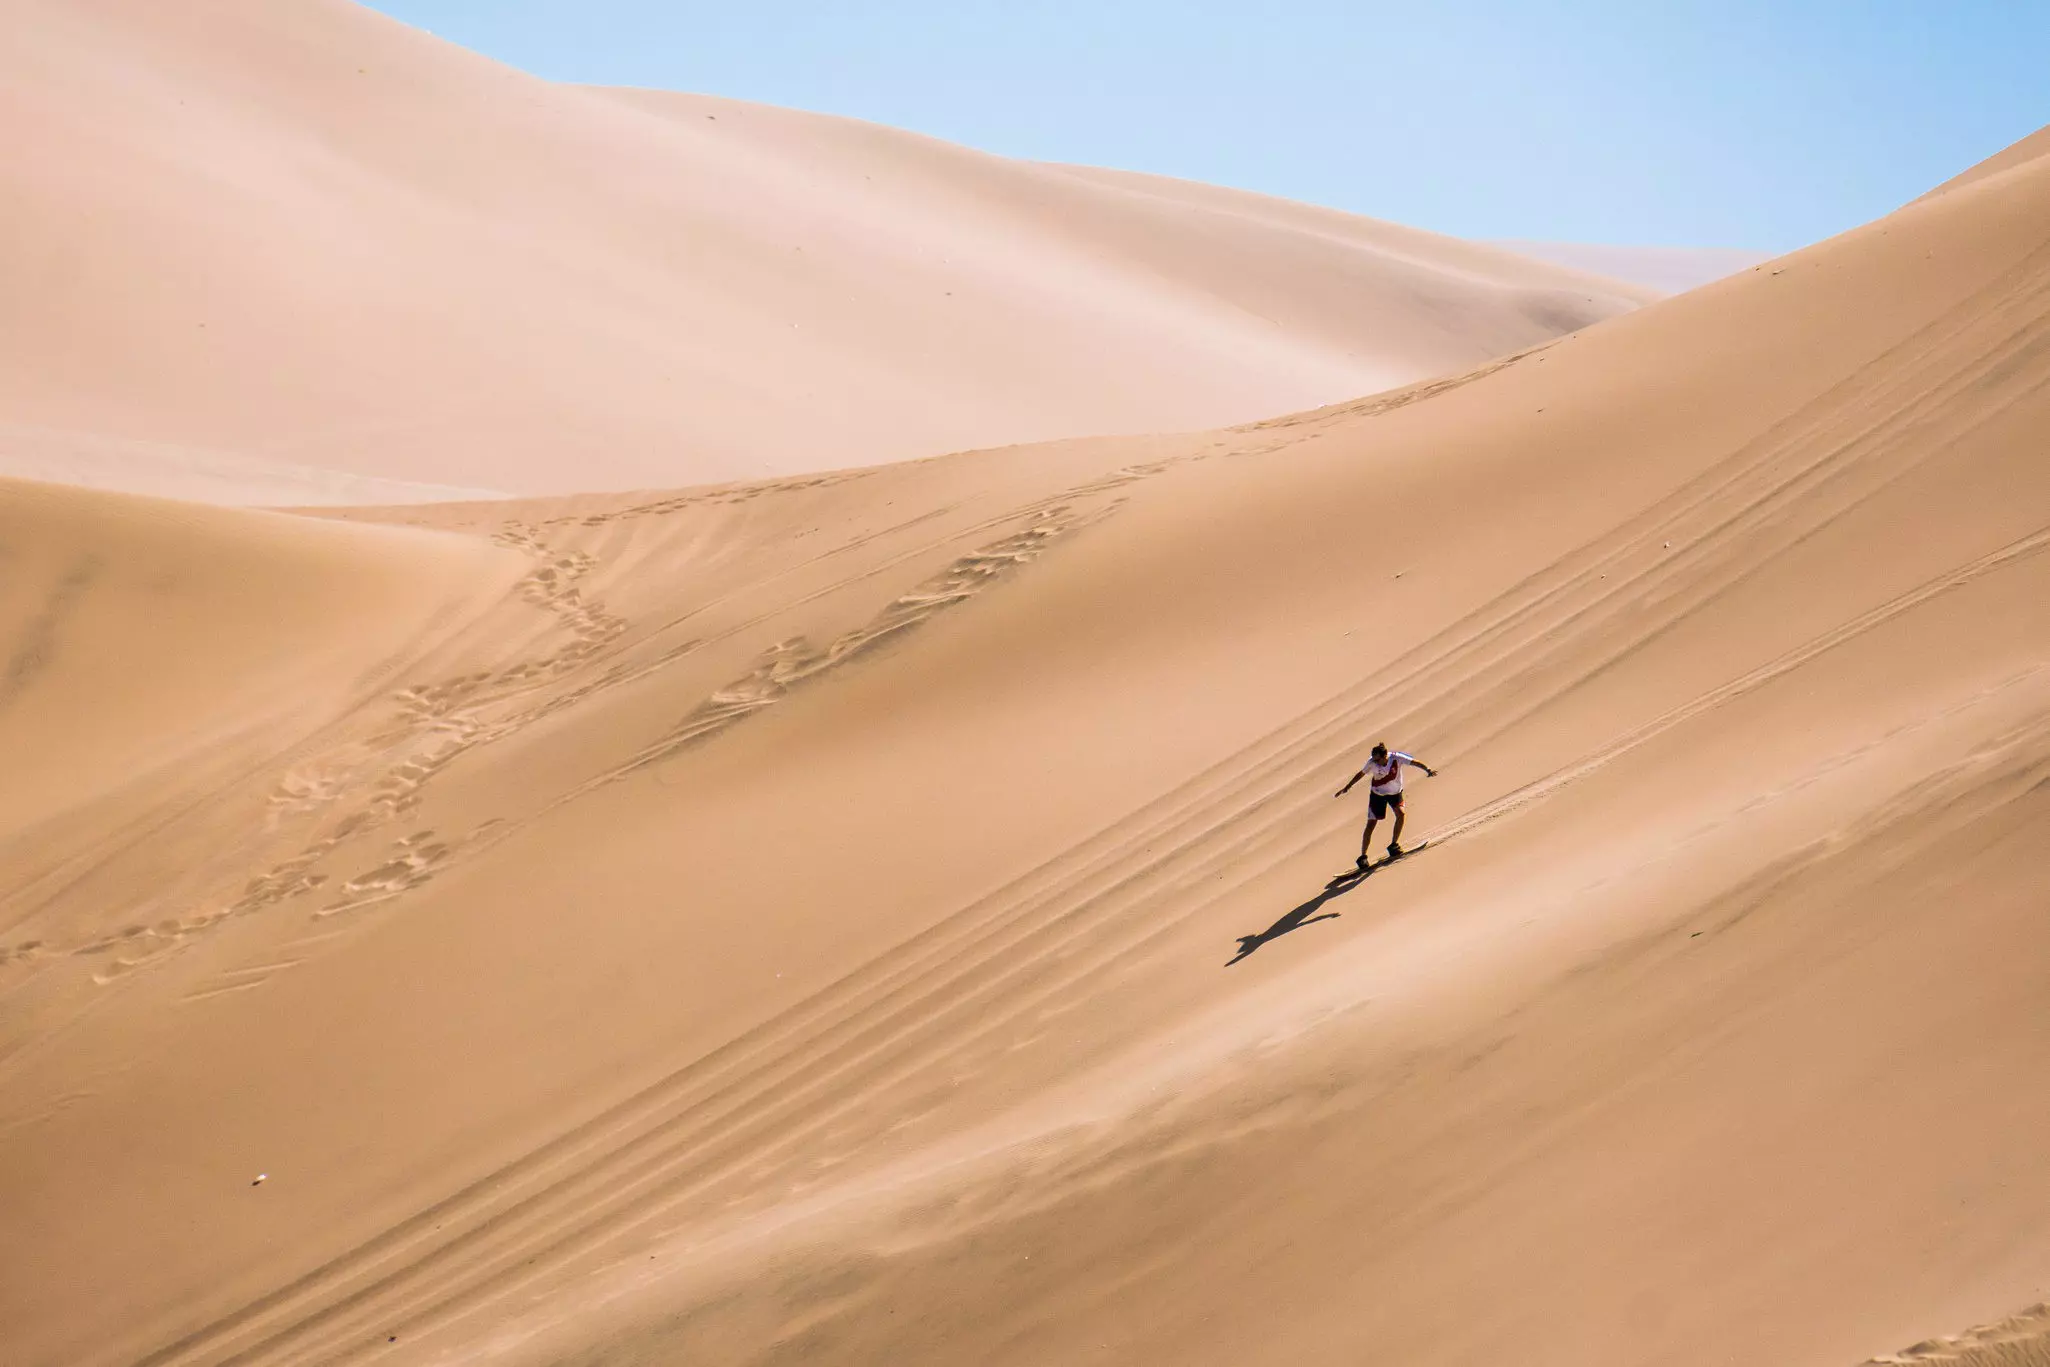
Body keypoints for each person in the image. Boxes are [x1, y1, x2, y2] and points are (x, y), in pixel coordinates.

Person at [1334, 742, 1437, 868]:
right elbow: (1361, 774)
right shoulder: (1371, 762)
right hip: (1377, 794)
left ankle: (1394, 845)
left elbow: (1414, 762)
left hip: (1395, 793)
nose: (1375, 762)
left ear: (1385, 756)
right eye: (1374, 759)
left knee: (1401, 814)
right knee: (1371, 824)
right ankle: (1363, 857)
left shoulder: (1396, 757)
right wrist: (1347, 787)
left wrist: (1428, 769)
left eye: (1378, 760)